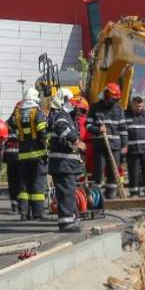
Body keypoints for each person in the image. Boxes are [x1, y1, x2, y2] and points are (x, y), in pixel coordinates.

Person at [47, 88, 84, 233]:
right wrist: (75, 139)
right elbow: (63, 128)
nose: (73, 105)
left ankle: (71, 218)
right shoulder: (61, 116)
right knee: (66, 193)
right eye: (70, 101)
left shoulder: (64, 115)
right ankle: (67, 223)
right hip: (63, 164)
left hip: (66, 164)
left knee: (68, 192)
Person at [8, 87, 49, 220]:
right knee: (38, 184)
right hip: (38, 155)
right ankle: (38, 213)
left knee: (24, 184)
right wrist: (49, 145)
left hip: (22, 155)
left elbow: (9, 126)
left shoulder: (17, 113)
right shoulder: (37, 112)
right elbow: (43, 133)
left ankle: (24, 213)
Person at [87, 83, 128, 199]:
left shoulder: (118, 109)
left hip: (115, 146)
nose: (113, 101)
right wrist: (98, 129)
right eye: (112, 98)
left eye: (115, 99)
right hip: (100, 145)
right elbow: (88, 125)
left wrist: (124, 144)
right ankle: (96, 197)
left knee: (113, 172)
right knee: (99, 171)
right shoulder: (95, 108)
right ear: (106, 95)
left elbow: (123, 128)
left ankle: (111, 195)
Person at [1, 107, 21, 212]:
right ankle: (21, 204)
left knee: (12, 181)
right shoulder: (21, 122)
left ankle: (14, 204)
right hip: (20, 155)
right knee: (20, 180)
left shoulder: (6, 123)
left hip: (9, 156)